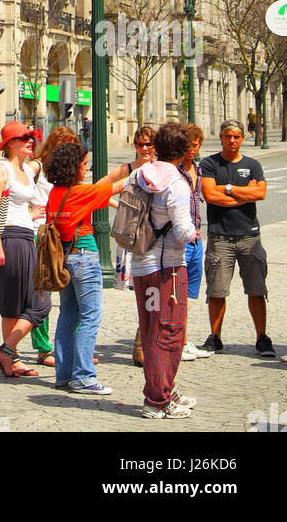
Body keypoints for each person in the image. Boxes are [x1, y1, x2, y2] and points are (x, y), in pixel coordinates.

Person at [43, 141, 129, 395]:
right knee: (90, 317)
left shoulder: (56, 192)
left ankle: (64, 375)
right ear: (73, 168)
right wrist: (143, 171)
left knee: (68, 315)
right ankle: (84, 377)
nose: (86, 167)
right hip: (84, 256)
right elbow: (116, 187)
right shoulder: (80, 193)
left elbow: (103, 184)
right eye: (83, 164)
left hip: (64, 258)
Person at [128, 122, 198, 419]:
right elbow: (183, 231)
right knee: (168, 332)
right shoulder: (177, 184)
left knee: (150, 328)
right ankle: (157, 400)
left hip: (142, 264)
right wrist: (194, 233)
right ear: (183, 152)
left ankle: (163, 388)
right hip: (167, 269)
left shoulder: (139, 174)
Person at [199, 119, 274, 357]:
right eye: (228, 136)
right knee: (217, 290)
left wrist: (228, 188)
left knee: (256, 288)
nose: (232, 140)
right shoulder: (210, 163)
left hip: (250, 236)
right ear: (221, 138)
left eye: (237, 136)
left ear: (243, 139)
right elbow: (210, 195)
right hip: (220, 236)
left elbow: (260, 192)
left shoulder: (253, 165)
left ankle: (261, 337)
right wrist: (244, 194)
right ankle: (215, 336)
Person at [0, 122, 50, 379]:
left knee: (36, 302)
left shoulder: (25, 169)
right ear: (9, 143)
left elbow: (21, 203)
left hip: (27, 237)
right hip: (9, 238)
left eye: (31, 137)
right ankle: (10, 357)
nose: (29, 141)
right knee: (14, 304)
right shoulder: (2, 170)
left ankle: (7, 351)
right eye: (23, 138)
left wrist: (31, 213)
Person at [29, 126, 77, 366]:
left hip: (65, 233)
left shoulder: (69, 170)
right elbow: (12, 185)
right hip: (43, 234)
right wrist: (30, 211)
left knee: (73, 292)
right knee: (43, 290)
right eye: (64, 145)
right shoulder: (38, 165)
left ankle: (74, 348)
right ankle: (43, 348)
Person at [113, 127, 157, 365]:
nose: (146, 149)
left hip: (155, 239)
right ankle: (142, 343)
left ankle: (144, 341)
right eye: (141, 144)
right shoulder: (127, 169)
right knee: (142, 292)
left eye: (149, 144)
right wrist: (115, 205)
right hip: (133, 239)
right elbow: (102, 188)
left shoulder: (161, 168)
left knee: (154, 291)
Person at [177, 123, 212, 361]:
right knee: (174, 294)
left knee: (187, 295)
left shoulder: (198, 170)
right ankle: (176, 343)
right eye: (188, 144)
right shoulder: (173, 170)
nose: (192, 148)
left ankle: (184, 340)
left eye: (196, 144)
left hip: (196, 239)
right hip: (179, 241)